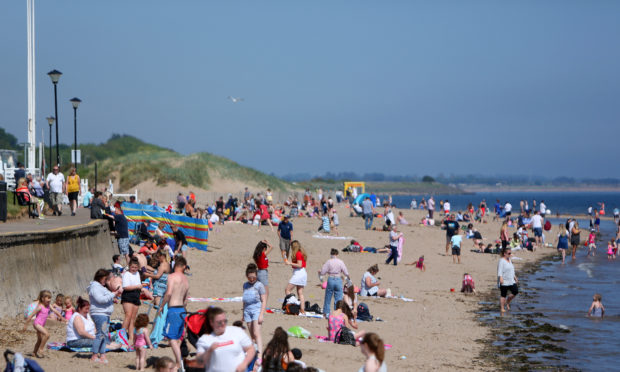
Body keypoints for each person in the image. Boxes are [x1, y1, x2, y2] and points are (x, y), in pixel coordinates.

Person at [195, 307, 256, 372]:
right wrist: (209, 351)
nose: (223, 324)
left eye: (225, 321)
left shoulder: (237, 331)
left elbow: (251, 349)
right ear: (211, 322)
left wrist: (244, 364)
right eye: (219, 322)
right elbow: (199, 361)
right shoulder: (205, 339)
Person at [157, 256, 189, 371]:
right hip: (182, 310)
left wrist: (161, 306)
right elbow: (186, 299)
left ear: (175, 265)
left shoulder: (171, 276)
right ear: (184, 267)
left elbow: (169, 293)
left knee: (171, 339)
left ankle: (179, 364)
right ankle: (179, 362)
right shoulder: (185, 279)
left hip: (174, 309)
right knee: (178, 339)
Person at [89, 268, 122, 363]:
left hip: (104, 314)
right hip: (100, 314)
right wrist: (113, 294)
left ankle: (102, 354)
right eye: (105, 278)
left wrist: (113, 296)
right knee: (100, 335)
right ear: (100, 278)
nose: (107, 280)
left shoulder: (100, 287)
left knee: (104, 335)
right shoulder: (95, 287)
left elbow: (105, 297)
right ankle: (94, 355)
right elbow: (100, 299)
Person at [24, 290, 65, 357]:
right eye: (48, 298)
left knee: (39, 340)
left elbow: (55, 311)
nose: (49, 300)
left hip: (41, 325)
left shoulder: (49, 305)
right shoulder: (40, 306)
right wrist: (26, 325)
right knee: (47, 334)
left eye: (50, 298)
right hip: (37, 324)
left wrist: (61, 317)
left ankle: (34, 353)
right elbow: (31, 315)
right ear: (43, 299)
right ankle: (41, 349)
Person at [242, 263, 266, 365]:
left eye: (253, 277)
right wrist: (243, 313)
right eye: (250, 277)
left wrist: (261, 314)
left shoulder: (259, 285)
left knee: (256, 333)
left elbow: (264, 300)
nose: (252, 279)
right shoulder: (245, 285)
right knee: (252, 335)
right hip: (247, 311)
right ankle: (253, 353)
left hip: (257, 310)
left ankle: (260, 355)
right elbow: (244, 300)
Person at [319, 249, 350, 316]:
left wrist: (320, 273)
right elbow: (346, 272)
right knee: (338, 298)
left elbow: (323, 272)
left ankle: (326, 313)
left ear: (331, 254)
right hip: (338, 279)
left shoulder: (329, 261)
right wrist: (348, 278)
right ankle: (337, 313)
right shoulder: (340, 262)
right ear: (337, 254)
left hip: (331, 278)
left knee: (328, 297)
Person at [121, 257, 143, 344]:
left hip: (136, 295)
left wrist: (141, 288)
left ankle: (131, 337)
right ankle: (121, 335)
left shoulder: (137, 273)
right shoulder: (126, 274)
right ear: (129, 266)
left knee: (133, 318)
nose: (134, 269)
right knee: (128, 315)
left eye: (135, 267)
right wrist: (137, 286)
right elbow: (125, 287)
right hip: (128, 295)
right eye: (132, 267)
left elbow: (138, 284)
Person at [285, 240, 307, 314]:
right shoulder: (300, 253)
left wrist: (290, 263)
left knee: (287, 290)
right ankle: (302, 309)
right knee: (300, 292)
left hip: (299, 273)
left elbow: (299, 264)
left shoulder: (298, 253)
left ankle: (294, 303)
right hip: (302, 272)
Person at [497, 247, 518, 314]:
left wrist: (515, 277)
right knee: (503, 295)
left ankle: (508, 302)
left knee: (515, 291)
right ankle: (502, 308)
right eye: (509, 253)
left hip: (511, 280)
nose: (510, 254)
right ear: (504, 253)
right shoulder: (501, 261)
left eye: (510, 253)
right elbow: (499, 270)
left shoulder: (509, 260)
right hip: (504, 280)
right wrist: (500, 278)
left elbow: (512, 269)